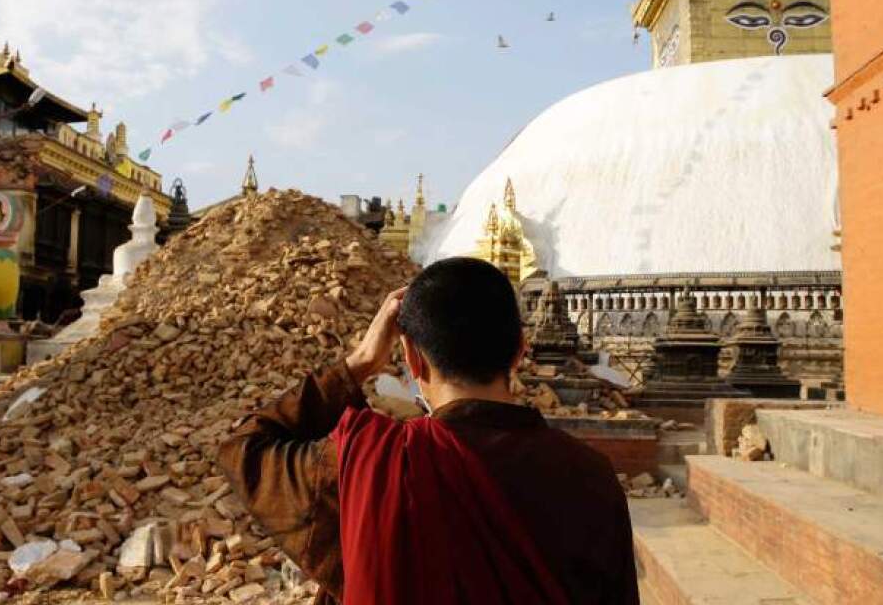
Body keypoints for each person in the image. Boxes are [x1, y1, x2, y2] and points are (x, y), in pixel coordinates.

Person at [219, 258, 638, 604]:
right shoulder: (590, 475)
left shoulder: (369, 467)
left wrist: (361, 362)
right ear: (519, 353)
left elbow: (244, 449)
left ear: (411, 359)